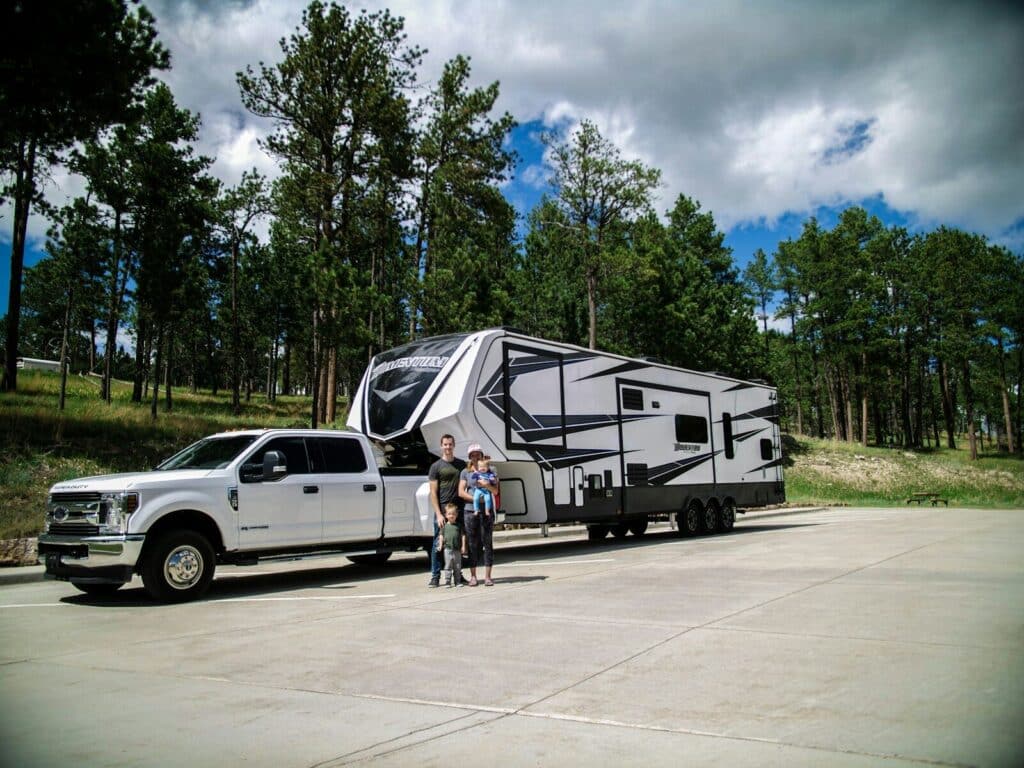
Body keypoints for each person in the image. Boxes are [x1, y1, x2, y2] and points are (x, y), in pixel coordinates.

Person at [427, 434, 466, 588]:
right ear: (441, 446)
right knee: (438, 544)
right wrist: (438, 514)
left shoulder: (461, 464)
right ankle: (435, 576)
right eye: (445, 444)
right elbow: (433, 492)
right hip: (443, 513)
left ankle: (458, 575)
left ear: (454, 445)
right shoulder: (436, 466)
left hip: (458, 511)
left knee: (456, 545)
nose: (448, 447)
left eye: (450, 444)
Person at [460, 443, 498, 587]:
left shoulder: (491, 469)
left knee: (487, 543)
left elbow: (495, 491)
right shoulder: (466, 472)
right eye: (473, 455)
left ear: (482, 455)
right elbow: (461, 491)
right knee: (472, 544)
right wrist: (476, 499)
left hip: (487, 510)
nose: (476, 457)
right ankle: (473, 576)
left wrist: (486, 485)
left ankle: (488, 576)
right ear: (469, 457)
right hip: (470, 511)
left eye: (478, 454)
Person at [440, 503, 466, 587]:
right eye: (449, 514)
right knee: (448, 566)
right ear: (446, 515)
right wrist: (440, 545)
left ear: (457, 515)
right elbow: (441, 536)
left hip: (457, 549)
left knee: (457, 566)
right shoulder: (444, 526)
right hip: (447, 549)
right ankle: (448, 581)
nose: (451, 516)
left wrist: (463, 546)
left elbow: (463, 536)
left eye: (454, 514)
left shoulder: (458, 526)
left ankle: (457, 581)